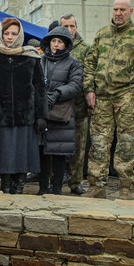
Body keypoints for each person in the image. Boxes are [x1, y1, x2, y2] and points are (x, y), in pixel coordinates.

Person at [83, 0, 134, 199]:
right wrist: (89, 89)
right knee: (98, 142)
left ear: (131, 11)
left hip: (128, 95)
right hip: (102, 97)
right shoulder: (102, 34)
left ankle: (125, 186)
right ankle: (96, 185)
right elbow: (90, 63)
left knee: (126, 142)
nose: (118, 13)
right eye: (115, 9)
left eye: (122, 9)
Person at [0, 18, 45, 194]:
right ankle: (5, 191)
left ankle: (19, 189)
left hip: (24, 117)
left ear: (20, 35)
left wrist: (41, 116)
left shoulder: (31, 56)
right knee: (3, 159)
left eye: (14, 33)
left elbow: (40, 88)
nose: (10, 37)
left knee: (22, 157)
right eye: (6, 33)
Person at [38, 26, 83, 195]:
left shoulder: (74, 62)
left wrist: (57, 93)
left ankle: (57, 188)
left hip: (61, 112)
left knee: (58, 153)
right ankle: (43, 187)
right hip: (42, 112)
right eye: (53, 41)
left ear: (66, 45)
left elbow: (75, 84)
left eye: (60, 42)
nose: (56, 45)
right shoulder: (40, 60)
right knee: (42, 151)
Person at [59, 14, 91, 195]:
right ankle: (54, 179)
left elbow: (90, 74)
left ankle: (75, 181)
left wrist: (89, 95)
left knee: (79, 146)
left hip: (78, 106)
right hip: (58, 106)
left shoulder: (85, 48)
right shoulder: (55, 44)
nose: (69, 30)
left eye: (72, 26)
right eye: (65, 26)